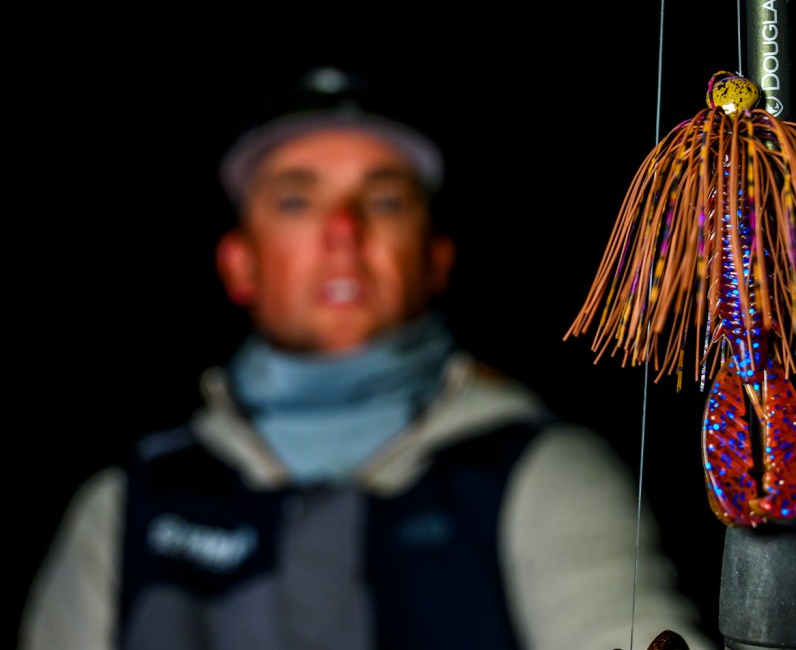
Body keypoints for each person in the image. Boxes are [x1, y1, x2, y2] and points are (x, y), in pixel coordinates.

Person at [17, 65, 720, 650]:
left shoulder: (542, 473)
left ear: (436, 259)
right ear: (238, 264)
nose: (343, 231)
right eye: (296, 201)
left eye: (384, 201)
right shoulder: (125, 508)